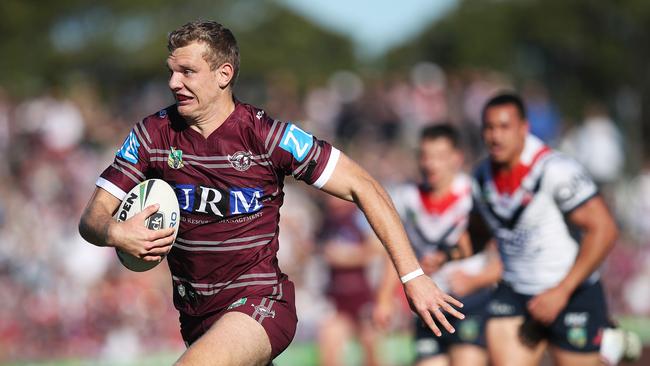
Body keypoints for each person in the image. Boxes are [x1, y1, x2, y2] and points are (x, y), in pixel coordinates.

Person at [77, 20, 464, 366]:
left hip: (260, 303)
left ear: (223, 74)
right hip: (196, 314)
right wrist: (116, 232)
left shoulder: (266, 136)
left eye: (187, 72)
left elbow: (365, 186)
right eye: (172, 72)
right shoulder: (151, 135)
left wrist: (412, 276)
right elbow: (92, 219)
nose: (174, 82)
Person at [473, 93, 618, 366]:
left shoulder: (555, 170)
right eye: (489, 127)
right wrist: (446, 255)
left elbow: (605, 229)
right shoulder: (481, 177)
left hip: (571, 294)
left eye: (504, 127)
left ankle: (608, 349)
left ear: (524, 128)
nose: (495, 136)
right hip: (515, 295)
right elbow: (478, 234)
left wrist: (561, 291)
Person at [373, 124, 502, 366]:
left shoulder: (474, 193)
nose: (430, 164)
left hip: (470, 302)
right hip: (427, 304)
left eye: (439, 157)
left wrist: (477, 280)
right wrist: (384, 299)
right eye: (425, 156)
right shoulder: (406, 198)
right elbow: (395, 250)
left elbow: (504, 251)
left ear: (457, 158)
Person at [317, 195, 381, 366]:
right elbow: (318, 249)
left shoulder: (361, 217)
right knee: (329, 348)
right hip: (337, 299)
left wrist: (346, 257)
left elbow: (377, 250)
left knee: (370, 350)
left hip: (365, 296)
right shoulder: (327, 220)